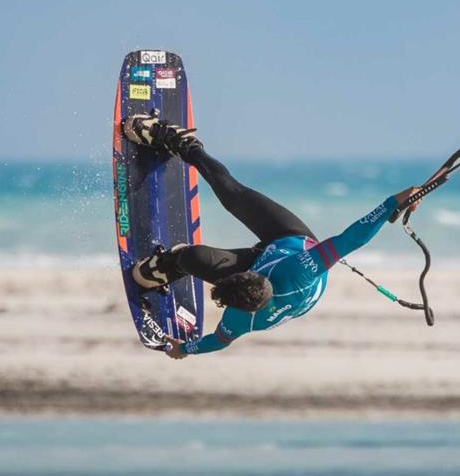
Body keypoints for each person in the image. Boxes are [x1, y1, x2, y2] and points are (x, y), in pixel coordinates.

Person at [122, 114, 421, 360]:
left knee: (192, 258)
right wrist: (393, 203)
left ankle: (175, 261)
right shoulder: (302, 269)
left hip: (272, 269)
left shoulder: (240, 319)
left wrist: (183, 348)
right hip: (289, 239)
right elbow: (352, 238)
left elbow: (217, 341)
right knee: (232, 194)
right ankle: (182, 144)